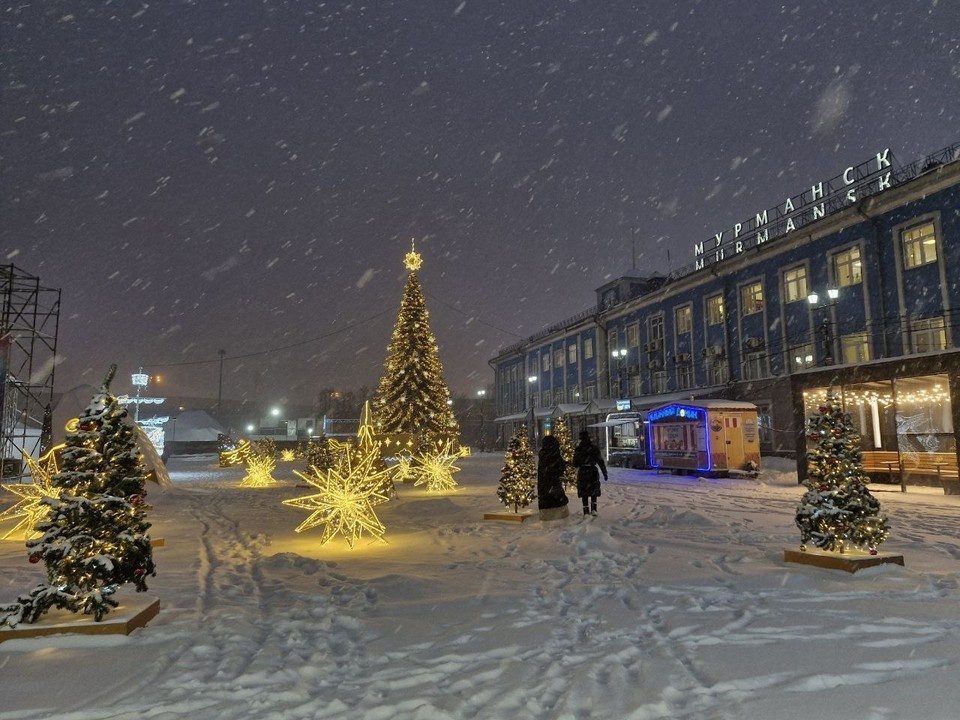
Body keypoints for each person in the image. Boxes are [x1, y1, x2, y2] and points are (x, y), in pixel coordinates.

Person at [573, 430, 607, 516]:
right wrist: (604, 472)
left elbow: (575, 463)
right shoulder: (594, 448)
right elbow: (600, 461)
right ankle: (594, 509)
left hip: (583, 472)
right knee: (593, 491)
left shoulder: (578, 449)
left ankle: (585, 510)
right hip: (592, 471)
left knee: (584, 492)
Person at [537, 435, 569, 521]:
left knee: (547, 498)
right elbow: (560, 468)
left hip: (544, 486)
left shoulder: (543, 454)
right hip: (553, 484)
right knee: (556, 499)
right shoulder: (555, 455)